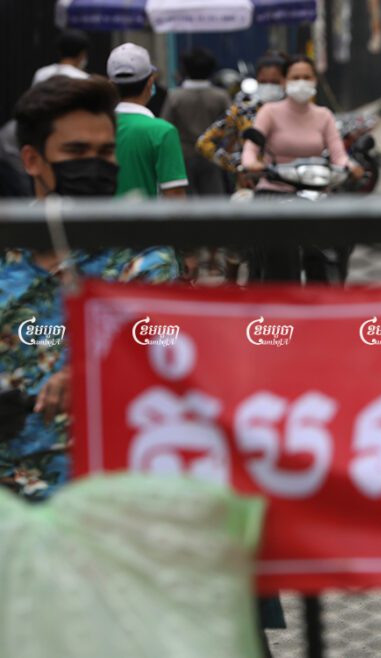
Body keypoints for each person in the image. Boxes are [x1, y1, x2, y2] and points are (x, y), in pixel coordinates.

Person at [2, 76, 179, 501]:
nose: (95, 165)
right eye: (76, 152)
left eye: (104, 153)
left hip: (105, 501)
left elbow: (163, 350)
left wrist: (87, 373)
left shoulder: (143, 260)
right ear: (32, 160)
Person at [241, 56, 362, 282]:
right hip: (274, 190)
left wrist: (351, 167)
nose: (301, 82)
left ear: (315, 80)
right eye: (295, 77)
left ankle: (328, 294)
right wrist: (252, 163)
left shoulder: (323, 115)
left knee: (341, 237)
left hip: (316, 192)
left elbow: (338, 155)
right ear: (285, 82)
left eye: (307, 77)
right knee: (278, 248)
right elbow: (250, 148)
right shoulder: (269, 112)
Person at [106, 43, 188, 198]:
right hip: (144, 221)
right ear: (150, 82)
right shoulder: (162, 132)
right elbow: (175, 195)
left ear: (111, 85)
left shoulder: (96, 128)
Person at [197, 53, 287, 178]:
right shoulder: (243, 111)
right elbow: (204, 143)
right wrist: (238, 166)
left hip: (294, 184)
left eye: (274, 82)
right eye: (263, 82)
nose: (269, 86)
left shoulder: (299, 111)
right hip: (252, 187)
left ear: (286, 81)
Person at [162, 48, 231, 196]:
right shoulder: (220, 96)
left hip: (182, 155)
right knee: (214, 201)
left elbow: (166, 126)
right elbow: (231, 127)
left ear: (185, 69)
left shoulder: (175, 96)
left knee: (186, 201)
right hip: (212, 155)